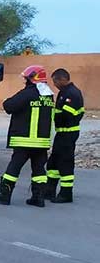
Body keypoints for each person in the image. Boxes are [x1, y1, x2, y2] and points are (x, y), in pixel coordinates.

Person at [0, 65, 55, 207]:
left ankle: (4, 195)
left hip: (25, 140)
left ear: (32, 78)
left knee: (13, 169)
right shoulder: (48, 95)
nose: (25, 81)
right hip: (41, 142)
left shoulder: (28, 93)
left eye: (26, 78)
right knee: (39, 170)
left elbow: (8, 106)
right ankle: (38, 198)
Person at [45, 68, 84, 203]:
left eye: (55, 81)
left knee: (65, 163)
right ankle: (49, 190)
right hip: (61, 133)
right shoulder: (64, 92)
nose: (54, 84)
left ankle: (66, 194)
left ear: (62, 79)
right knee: (53, 163)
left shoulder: (71, 93)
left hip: (68, 134)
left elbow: (68, 114)